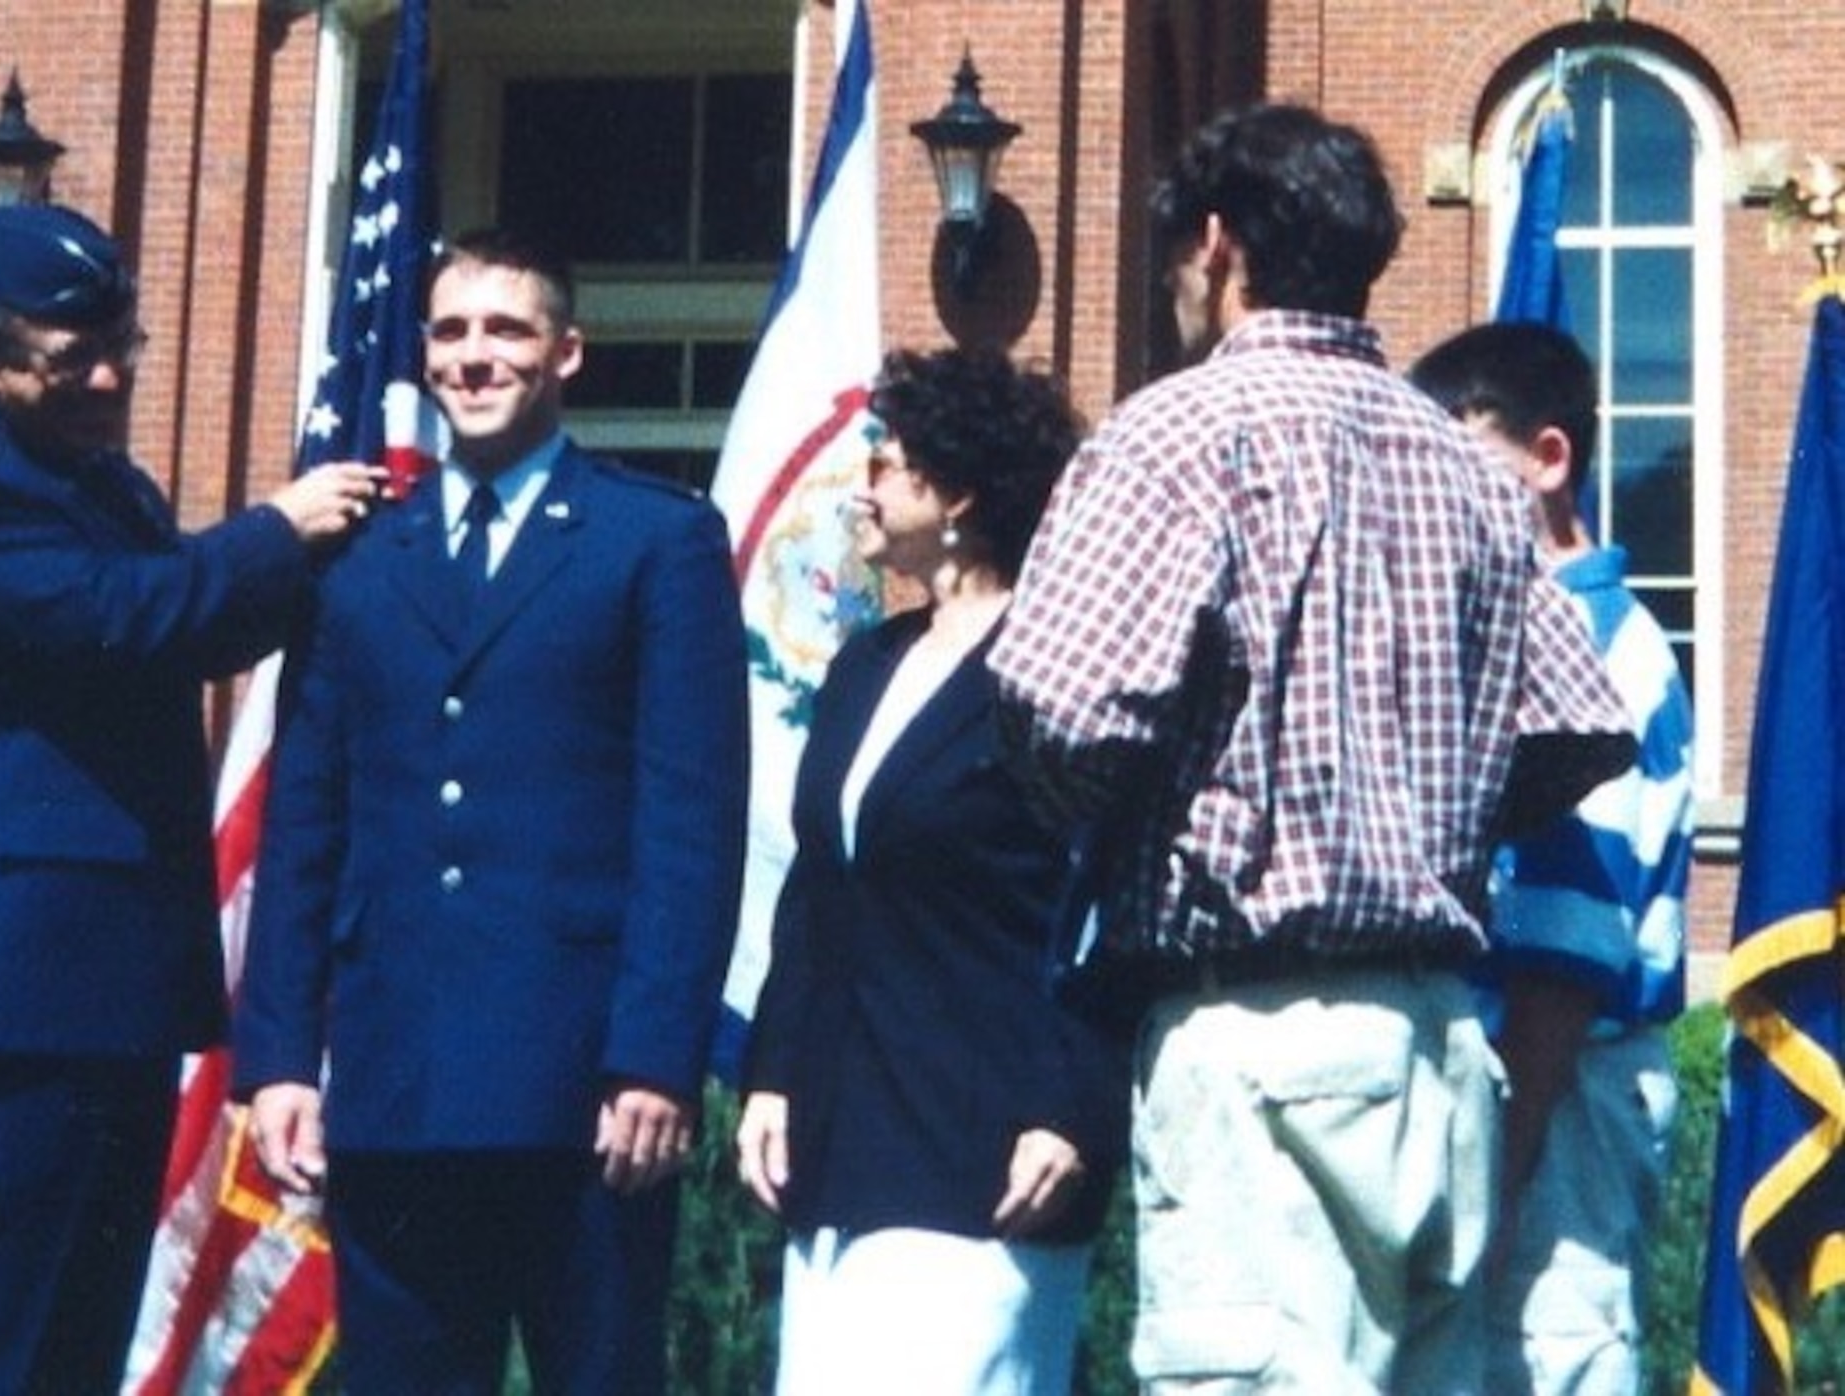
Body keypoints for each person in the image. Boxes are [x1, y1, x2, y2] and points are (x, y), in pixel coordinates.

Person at [988, 103, 1639, 1393]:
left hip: (1251, 1034)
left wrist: (1134, 815)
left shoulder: (1172, 434)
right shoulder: (1461, 466)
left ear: (1217, 244)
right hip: (1441, 1044)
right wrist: (1421, 812)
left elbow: (1063, 714)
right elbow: (1578, 724)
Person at [0, 202, 381, 1394]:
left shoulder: (115, 494)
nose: (107, 377)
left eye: (124, 347)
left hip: (118, 998)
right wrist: (274, 527)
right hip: (12, 1003)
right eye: (71, 355)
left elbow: (196, 624)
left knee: (75, 1345)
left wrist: (346, 551)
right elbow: (121, 618)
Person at [234, 227, 749, 1395]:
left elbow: (690, 822)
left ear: (566, 353)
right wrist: (277, 1056)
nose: (475, 357)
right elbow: (308, 817)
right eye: (452, 332)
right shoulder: (358, 557)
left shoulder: (653, 541)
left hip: (584, 1089)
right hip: (395, 1076)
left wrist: (655, 1058)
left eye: (507, 330)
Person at [736, 348, 1128, 1395]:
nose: (863, 485)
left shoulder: (1054, 664)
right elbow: (817, 888)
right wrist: (771, 1073)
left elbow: (1103, 901)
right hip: (836, 1140)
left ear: (955, 492)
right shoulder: (867, 659)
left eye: (886, 462)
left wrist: (1073, 1106)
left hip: (987, 1145)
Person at [1409, 321, 1694, 1396]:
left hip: (1558, 1096)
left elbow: (1557, 963)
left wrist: (1494, 1181)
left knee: (1541, 1348)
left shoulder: (1591, 647)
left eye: (1460, 468)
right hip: (1521, 1096)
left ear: (1547, 459)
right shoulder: (1516, 635)